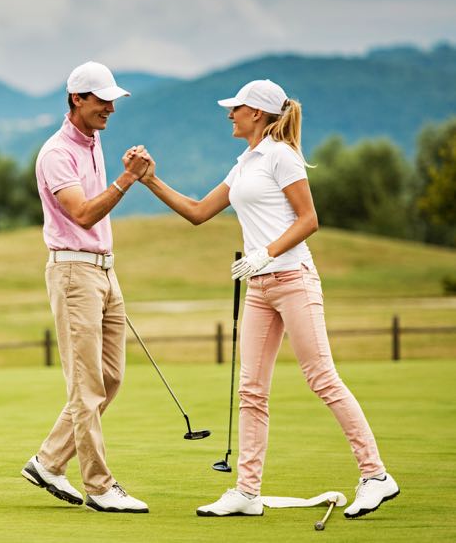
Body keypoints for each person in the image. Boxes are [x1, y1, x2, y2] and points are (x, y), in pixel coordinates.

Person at [137, 79, 399, 519]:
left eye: (236, 108)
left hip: (293, 278)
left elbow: (309, 219)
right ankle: (246, 491)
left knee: (321, 377)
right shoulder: (244, 163)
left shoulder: (281, 156)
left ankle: (375, 476)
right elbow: (200, 212)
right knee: (251, 390)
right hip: (259, 289)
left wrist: (265, 253)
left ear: (256, 113)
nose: (229, 114)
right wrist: (150, 180)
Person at [20, 61, 151, 513]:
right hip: (74, 273)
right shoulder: (57, 152)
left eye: (113, 100)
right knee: (86, 385)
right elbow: (82, 214)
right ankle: (99, 486)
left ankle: (48, 461)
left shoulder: (92, 140)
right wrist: (127, 178)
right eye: (102, 100)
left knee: (110, 377)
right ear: (77, 98)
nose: (110, 108)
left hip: (104, 272)